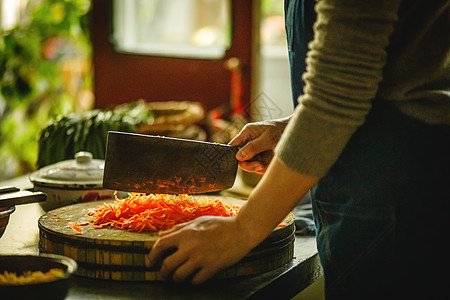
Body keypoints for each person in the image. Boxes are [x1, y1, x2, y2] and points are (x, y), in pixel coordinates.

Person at [148, 0, 449, 298]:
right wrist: (291, 128)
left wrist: (241, 230)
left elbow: (336, 99)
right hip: (380, 181)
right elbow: (369, 72)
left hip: (394, 192)